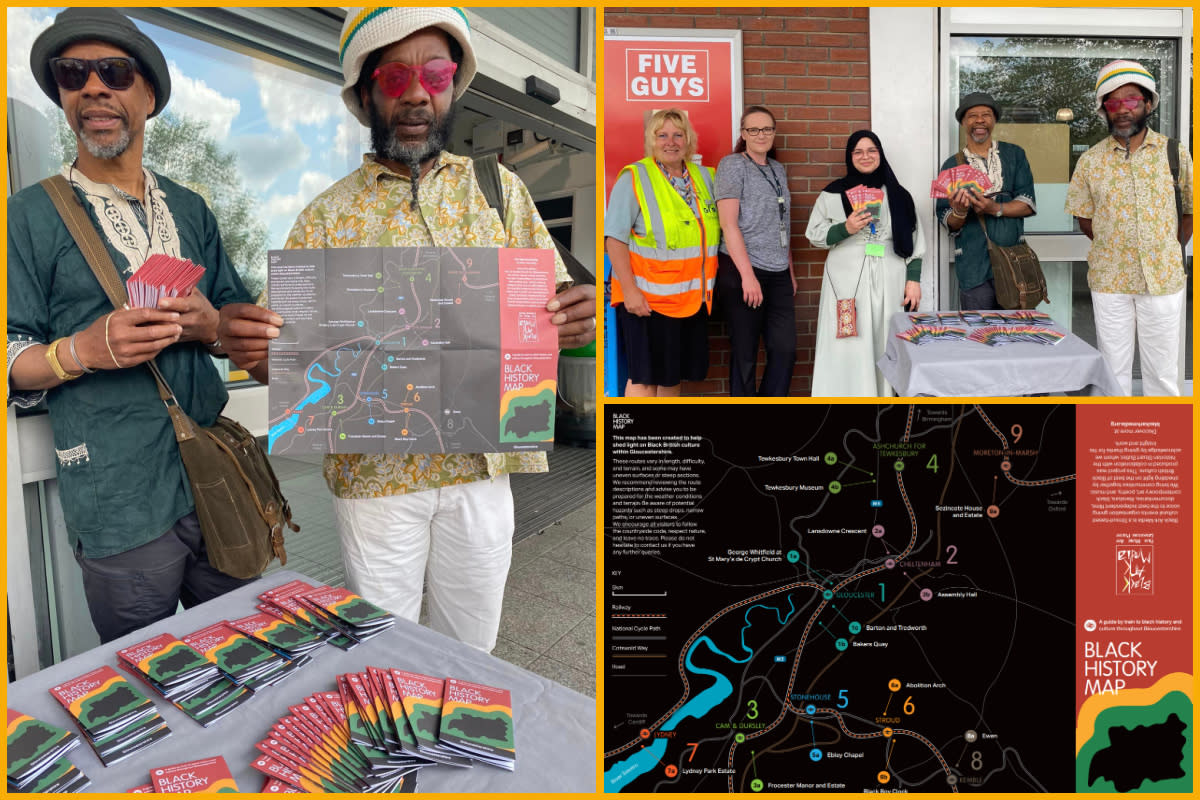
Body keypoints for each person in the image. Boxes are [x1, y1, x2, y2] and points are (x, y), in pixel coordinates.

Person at [218, 7, 596, 653]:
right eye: (394, 77)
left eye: (437, 72)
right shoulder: (326, 217)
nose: (417, 92)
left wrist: (579, 316)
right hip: (374, 481)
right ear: (364, 93)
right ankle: (396, 755)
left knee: (471, 649)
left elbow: (558, 309)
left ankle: (458, 749)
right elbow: (284, 363)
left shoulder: (499, 191)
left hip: (481, 470)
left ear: (453, 85)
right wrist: (256, 353)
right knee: (383, 649)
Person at [7, 8, 255, 643]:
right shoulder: (27, 216)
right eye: (73, 73)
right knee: (143, 675)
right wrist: (82, 351)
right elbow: (11, 353)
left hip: (214, 476)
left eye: (114, 72)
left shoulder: (192, 208)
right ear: (62, 95)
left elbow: (237, 323)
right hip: (118, 495)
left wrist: (213, 327)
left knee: (238, 652)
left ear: (148, 95)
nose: (94, 87)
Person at [1066, 60, 1193, 396]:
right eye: (1113, 102)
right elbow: (1085, 218)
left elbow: (1189, 213)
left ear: (1148, 104)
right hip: (1110, 280)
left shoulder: (1175, 153)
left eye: (1131, 100)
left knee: (1163, 374)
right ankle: (1114, 444)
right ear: (1104, 110)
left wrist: (1161, 248)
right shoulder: (1091, 160)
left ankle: (1162, 445)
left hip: (1163, 279)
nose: (1122, 109)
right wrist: (1118, 245)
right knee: (1112, 371)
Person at [605, 108, 719, 397]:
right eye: (662, 135)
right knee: (645, 380)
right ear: (651, 141)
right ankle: (639, 443)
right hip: (647, 301)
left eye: (678, 134)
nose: (671, 142)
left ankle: (664, 443)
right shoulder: (635, 177)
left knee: (672, 379)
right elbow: (614, 239)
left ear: (689, 140)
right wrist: (630, 292)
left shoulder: (705, 178)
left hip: (691, 301)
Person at [806, 131, 924, 396]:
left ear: (880, 154)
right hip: (846, 281)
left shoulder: (898, 195)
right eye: (858, 152)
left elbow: (916, 241)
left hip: (890, 278)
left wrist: (913, 280)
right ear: (850, 157)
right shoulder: (833, 193)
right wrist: (845, 228)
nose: (865, 156)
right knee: (849, 341)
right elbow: (814, 235)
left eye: (872, 150)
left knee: (886, 338)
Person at [714, 105, 796, 396]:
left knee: (785, 350)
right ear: (743, 133)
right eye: (754, 129)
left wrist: (790, 270)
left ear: (774, 133)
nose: (761, 135)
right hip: (743, 270)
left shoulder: (778, 169)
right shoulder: (733, 165)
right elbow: (728, 224)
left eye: (767, 129)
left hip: (779, 272)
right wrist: (748, 276)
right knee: (745, 355)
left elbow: (781, 222)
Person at [935, 91, 1036, 310]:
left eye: (986, 115)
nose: (979, 120)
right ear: (963, 122)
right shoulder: (952, 165)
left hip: (1014, 264)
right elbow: (945, 220)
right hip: (973, 268)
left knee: (1016, 334)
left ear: (994, 120)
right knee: (979, 336)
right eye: (972, 115)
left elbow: (1027, 204)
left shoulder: (1014, 155)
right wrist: (960, 212)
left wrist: (995, 207)